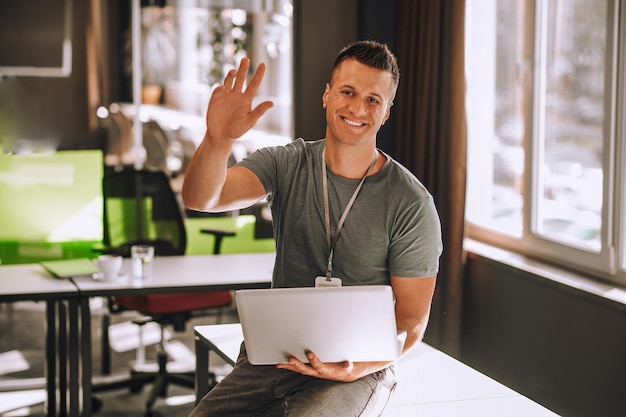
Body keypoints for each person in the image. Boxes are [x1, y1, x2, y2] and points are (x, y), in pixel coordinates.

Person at [183, 40, 442, 417]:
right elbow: (202, 198)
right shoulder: (288, 163)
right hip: (275, 356)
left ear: (387, 112)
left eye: (373, 100)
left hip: (358, 367)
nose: (357, 108)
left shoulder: (411, 202)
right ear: (326, 95)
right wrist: (219, 140)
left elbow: (411, 319)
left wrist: (360, 366)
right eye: (348, 92)